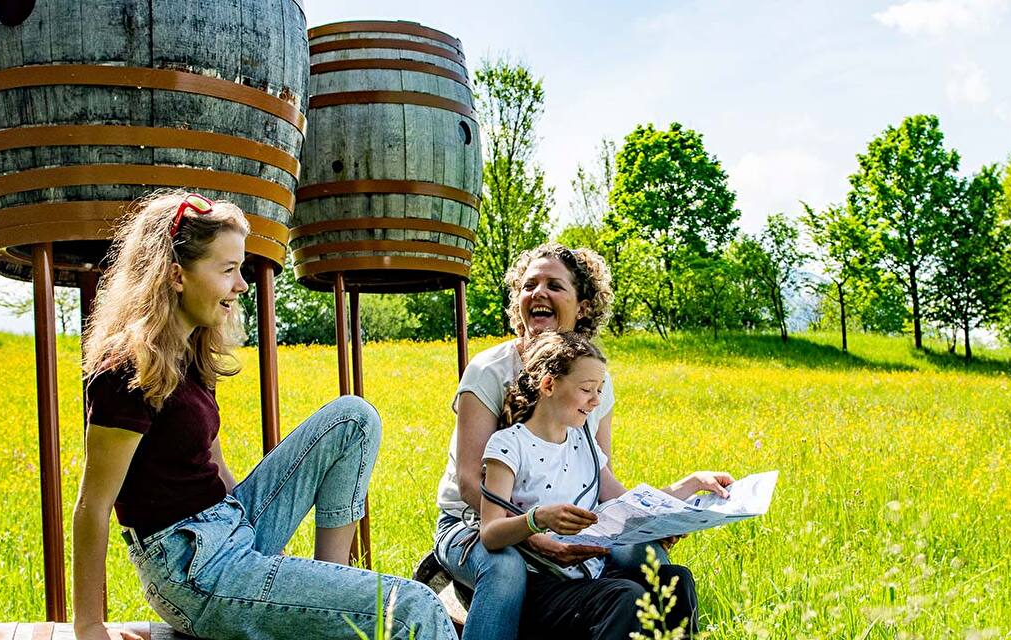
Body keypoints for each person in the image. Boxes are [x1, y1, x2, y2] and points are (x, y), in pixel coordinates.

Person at [70, 190, 452, 640]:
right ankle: (335, 610)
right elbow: (92, 506)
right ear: (176, 275)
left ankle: (330, 599)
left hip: (229, 525)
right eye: (228, 269)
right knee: (412, 607)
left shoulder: (192, 355)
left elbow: (217, 471)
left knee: (353, 419)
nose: (241, 285)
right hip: (193, 571)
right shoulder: (128, 370)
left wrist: (306, 589)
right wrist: (89, 626)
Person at [427, 243, 732, 639]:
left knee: (648, 558)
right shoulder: (490, 370)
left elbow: (602, 481)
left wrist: (668, 506)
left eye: (554, 285)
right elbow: (472, 483)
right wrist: (535, 537)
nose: (538, 293)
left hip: (563, 525)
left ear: (583, 306)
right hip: (475, 521)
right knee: (506, 568)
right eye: (528, 285)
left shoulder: (593, 383)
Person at [477, 332, 704, 638]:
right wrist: (537, 519)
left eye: (599, 390)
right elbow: (490, 533)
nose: (596, 401)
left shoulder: (583, 443)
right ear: (548, 385)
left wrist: (691, 487)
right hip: (542, 585)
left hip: (590, 573)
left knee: (676, 580)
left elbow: (631, 502)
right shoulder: (508, 446)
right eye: (587, 390)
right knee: (626, 596)